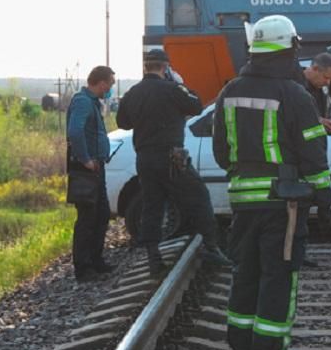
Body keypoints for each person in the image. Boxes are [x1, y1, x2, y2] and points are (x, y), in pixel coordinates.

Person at [213, 15, 331, 350]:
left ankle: (241, 343)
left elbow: (222, 151)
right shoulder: (294, 94)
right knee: (279, 274)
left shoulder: (229, 91)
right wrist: (323, 197)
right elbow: (314, 153)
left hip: (242, 199)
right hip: (283, 202)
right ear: (289, 48)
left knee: (245, 270)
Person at [116, 49, 232, 276]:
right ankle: (210, 247)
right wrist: (182, 85)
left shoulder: (132, 93)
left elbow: (124, 122)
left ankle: (153, 259)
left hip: (145, 159)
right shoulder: (172, 89)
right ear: (165, 67)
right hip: (172, 158)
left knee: (152, 206)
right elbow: (197, 106)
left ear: (145, 67)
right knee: (199, 198)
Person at [66, 65, 116, 283]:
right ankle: (83, 268)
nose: (111, 89)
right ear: (102, 83)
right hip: (86, 170)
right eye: (111, 84)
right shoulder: (83, 102)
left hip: (96, 168)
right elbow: (75, 132)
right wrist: (86, 159)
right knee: (87, 219)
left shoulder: (92, 103)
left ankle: (96, 260)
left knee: (101, 214)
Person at [301, 52, 331, 134]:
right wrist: (318, 121)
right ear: (315, 68)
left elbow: (330, 110)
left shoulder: (323, 89)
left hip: (314, 143)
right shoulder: (292, 88)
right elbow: (289, 120)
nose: (328, 82)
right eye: (326, 77)